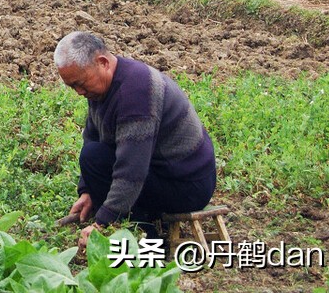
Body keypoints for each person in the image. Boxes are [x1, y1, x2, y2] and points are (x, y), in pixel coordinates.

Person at [55, 31, 217, 250]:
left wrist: (103, 221)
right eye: (72, 86)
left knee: (97, 159)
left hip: (187, 184)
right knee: (93, 155)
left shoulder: (136, 93)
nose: (78, 92)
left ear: (102, 62)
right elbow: (92, 137)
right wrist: (88, 191)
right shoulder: (101, 88)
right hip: (160, 170)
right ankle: (139, 223)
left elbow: (131, 171)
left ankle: (146, 239)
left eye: (80, 84)